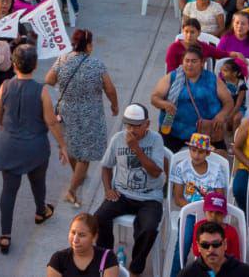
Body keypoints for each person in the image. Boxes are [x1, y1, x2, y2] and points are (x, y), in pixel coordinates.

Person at [0, 44, 66, 253]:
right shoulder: (41, 90)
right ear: (34, 65)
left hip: (9, 146)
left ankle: (5, 235)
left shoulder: (4, 86)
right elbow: (51, 122)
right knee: (38, 182)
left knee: (8, 191)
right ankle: (41, 211)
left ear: (14, 64)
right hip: (35, 148)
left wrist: (1, 124)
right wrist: (63, 146)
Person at [47, 29, 119, 208]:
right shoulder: (97, 65)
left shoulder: (63, 60)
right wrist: (114, 105)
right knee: (84, 156)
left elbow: (48, 79)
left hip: (66, 112)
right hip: (90, 115)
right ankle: (72, 190)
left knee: (71, 147)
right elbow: (109, 89)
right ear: (88, 46)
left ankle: (77, 175)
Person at [94, 104, 167, 277]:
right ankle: (108, 262)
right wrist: (108, 189)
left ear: (147, 124)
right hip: (123, 194)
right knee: (99, 218)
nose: (131, 129)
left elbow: (156, 171)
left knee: (149, 228)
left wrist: (136, 149)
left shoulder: (156, 140)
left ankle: (135, 269)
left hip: (150, 197)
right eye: (128, 125)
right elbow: (105, 167)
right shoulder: (118, 139)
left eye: (136, 125)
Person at [152, 44, 234, 153]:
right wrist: (165, 104)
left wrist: (221, 115)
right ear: (182, 62)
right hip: (175, 131)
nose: (189, 64)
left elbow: (228, 102)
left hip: (205, 132)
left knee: (221, 156)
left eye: (194, 61)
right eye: (187, 61)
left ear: (201, 63)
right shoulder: (173, 77)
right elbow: (154, 98)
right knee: (163, 159)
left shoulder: (212, 79)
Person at [48, 212, 122, 277]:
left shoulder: (108, 258)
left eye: (82, 235)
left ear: (94, 237)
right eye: (73, 233)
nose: (75, 239)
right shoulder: (58, 260)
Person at [179, 220, 249, 277]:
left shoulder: (244, 273)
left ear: (225, 244)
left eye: (216, 244)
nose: (211, 249)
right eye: (205, 245)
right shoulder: (188, 274)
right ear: (199, 247)